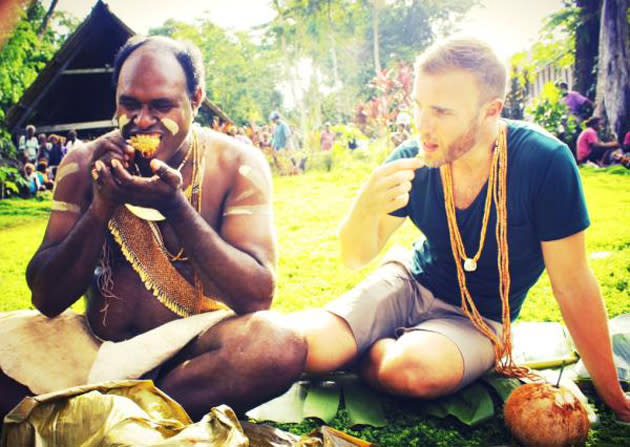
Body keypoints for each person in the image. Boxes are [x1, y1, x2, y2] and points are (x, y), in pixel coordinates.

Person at [291, 38, 630, 423]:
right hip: (409, 283)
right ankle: (355, 343)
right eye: (418, 105)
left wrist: (614, 398)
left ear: (491, 111)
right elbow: (355, 256)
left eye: (441, 111)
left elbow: (572, 284)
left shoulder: (544, 162)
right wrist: (364, 206)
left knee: (410, 371)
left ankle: (369, 348)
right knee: (311, 351)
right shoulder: (413, 160)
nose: (422, 124)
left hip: (480, 318)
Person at [0, 35, 306, 421]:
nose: (142, 121)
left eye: (162, 106)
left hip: (190, 360)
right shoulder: (82, 163)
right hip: (91, 349)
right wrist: (100, 206)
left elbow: (257, 297)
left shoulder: (237, 164)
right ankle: (128, 421)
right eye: (130, 104)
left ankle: (98, 418)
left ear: (195, 100)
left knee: (278, 346)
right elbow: (46, 298)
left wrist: (175, 207)